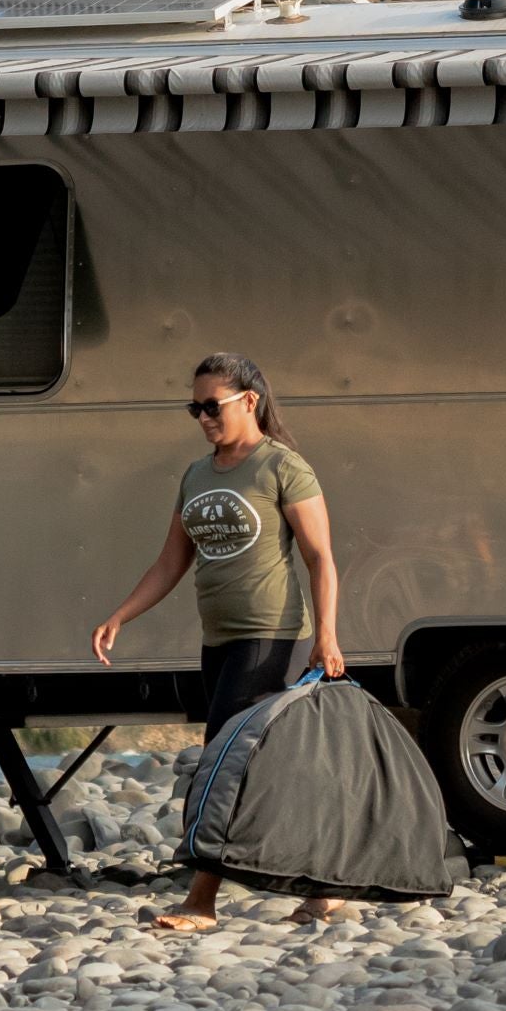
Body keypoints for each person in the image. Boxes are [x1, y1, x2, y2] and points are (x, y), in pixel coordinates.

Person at [87, 349, 342, 932]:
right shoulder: (197, 475)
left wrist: (327, 635)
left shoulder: (283, 467)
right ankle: (327, 885)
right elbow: (171, 560)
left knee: (222, 757)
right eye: (194, 408)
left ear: (248, 401)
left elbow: (320, 557)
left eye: (213, 405)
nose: (203, 417)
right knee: (264, 765)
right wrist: (120, 616)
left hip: (273, 635)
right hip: (220, 638)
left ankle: (202, 899)